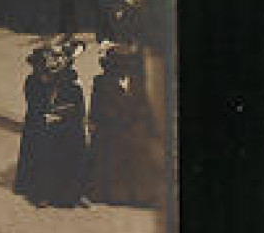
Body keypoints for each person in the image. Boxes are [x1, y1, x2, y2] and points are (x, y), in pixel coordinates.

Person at [13, 39, 91, 208]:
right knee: (46, 144)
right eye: (51, 60)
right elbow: (35, 105)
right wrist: (48, 114)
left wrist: (67, 115)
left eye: (58, 59)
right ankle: (43, 192)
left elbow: (78, 104)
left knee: (76, 141)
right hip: (42, 122)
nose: (54, 64)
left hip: (66, 122)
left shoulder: (70, 80)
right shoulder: (34, 82)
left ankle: (77, 192)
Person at [88, 43, 162, 208]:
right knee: (114, 145)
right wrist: (109, 119)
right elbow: (97, 106)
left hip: (132, 124)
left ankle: (141, 195)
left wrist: (146, 124)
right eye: (118, 64)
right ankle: (116, 194)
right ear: (111, 65)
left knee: (140, 144)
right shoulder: (101, 81)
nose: (123, 68)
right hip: (111, 125)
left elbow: (143, 105)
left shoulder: (137, 82)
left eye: (127, 64)